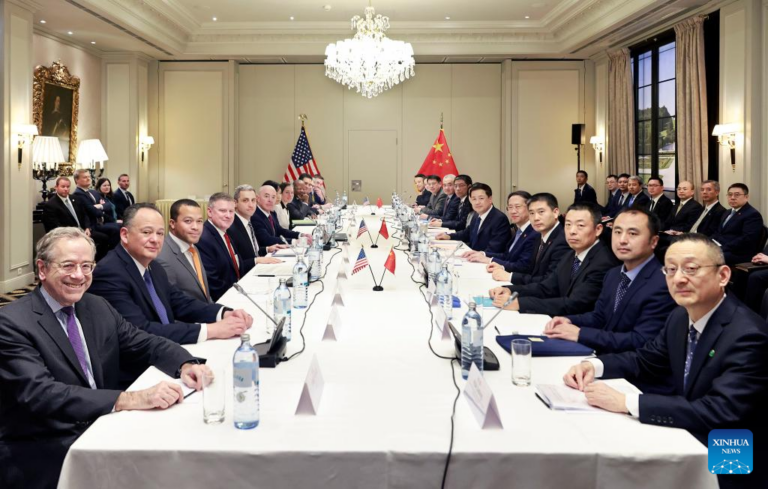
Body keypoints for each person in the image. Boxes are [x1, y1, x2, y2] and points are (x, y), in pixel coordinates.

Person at [0, 227, 213, 489]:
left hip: (103, 424)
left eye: (86, 266)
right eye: (68, 265)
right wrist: (130, 399)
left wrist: (186, 363)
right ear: (42, 269)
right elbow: (42, 394)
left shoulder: (96, 305)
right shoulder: (11, 323)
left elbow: (143, 342)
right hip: (46, 445)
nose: (79, 275)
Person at [562, 234, 768, 489]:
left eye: (691, 269)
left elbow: (719, 411)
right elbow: (646, 359)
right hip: (691, 428)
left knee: (627, 472)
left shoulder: (748, 335)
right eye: (670, 269)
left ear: (723, 275)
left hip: (734, 451)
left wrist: (626, 402)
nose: (679, 278)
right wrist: (593, 366)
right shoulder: (680, 316)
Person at [89, 203, 253, 348]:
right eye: (147, 232)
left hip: (165, 349)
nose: (155, 239)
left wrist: (223, 313)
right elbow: (140, 331)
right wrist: (211, 330)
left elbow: (179, 302)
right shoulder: (109, 273)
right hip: (139, 366)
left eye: (160, 233)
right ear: (125, 235)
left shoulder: (154, 266)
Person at [544, 208, 676, 357]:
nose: (622, 240)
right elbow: (599, 317)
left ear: (653, 241)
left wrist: (580, 334)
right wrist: (568, 320)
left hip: (628, 365)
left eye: (632, 233)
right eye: (617, 232)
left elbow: (640, 340)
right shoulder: (613, 274)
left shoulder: (663, 283)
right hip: (601, 356)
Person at [489, 203, 616, 316]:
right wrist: (510, 290)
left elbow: (574, 304)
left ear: (598, 229)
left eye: (580, 225)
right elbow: (546, 287)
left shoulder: (603, 262)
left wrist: (520, 303)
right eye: (568, 225)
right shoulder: (571, 255)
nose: (572, 231)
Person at [197, 193, 281, 301]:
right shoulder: (204, 238)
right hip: (227, 299)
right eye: (222, 211)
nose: (228, 215)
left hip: (238, 289)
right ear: (209, 212)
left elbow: (236, 265)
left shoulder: (223, 232)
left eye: (231, 211)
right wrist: (242, 296)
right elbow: (213, 283)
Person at [487, 192, 569, 284]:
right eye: (532, 213)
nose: (536, 218)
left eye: (541, 212)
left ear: (555, 212)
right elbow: (532, 271)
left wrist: (510, 277)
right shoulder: (541, 235)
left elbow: (549, 283)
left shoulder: (563, 240)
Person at [465, 191, 539, 276]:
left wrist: (489, 260)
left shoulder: (534, 233)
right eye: (510, 207)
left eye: (518, 207)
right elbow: (507, 256)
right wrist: (483, 254)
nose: (513, 211)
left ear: (530, 208)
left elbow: (523, 266)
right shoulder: (520, 230)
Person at [156, 199, 213, 303]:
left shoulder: (193, 248)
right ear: (172, 223)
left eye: (199, 221)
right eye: (188, 221)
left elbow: (203, 291)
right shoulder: (162, 257)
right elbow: (172, 302)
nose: (195, 227)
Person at [436, 183, 510, 254]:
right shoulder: (476, 215)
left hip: (485, 259)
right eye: (474, 199)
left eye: (481, 198)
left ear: (490, 199)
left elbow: (495, 248)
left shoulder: (499, 218)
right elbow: (467, 233)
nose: (477, 202)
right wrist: (449, 236)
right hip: (473, 256)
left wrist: (479, 255)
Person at [228, 184, 285, 275]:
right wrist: (256, 260)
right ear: (235, 203)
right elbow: (233, 265)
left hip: (256, 270)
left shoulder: (248, 222)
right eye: (245, 200)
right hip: (246, 276)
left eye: (253, 200)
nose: (251, 205)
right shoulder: (231, 227)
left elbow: (251, 252)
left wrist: (267, 249)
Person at [709, 183, 763, 265]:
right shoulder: (727, 212)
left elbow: (746, 240)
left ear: (746, 197)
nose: (732, 197)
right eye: (730, 195)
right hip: (724, 248)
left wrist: (721, 248)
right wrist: (707, 242)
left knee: (707, 257)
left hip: (739, 253)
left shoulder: (752, 214)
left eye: (737, 195)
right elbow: (718, 232)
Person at [71, 169, 120, 250]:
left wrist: (99, 206)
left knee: (121, 226)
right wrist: (101, 208)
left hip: (101, 221)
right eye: (85, 177)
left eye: (89, 177)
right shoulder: (78, 193)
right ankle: (112, 253)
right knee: (115, 229)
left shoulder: (92, 192)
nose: (88, 179)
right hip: (93, 225)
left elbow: (108, 205)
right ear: (77, 180)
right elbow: (93, 211)